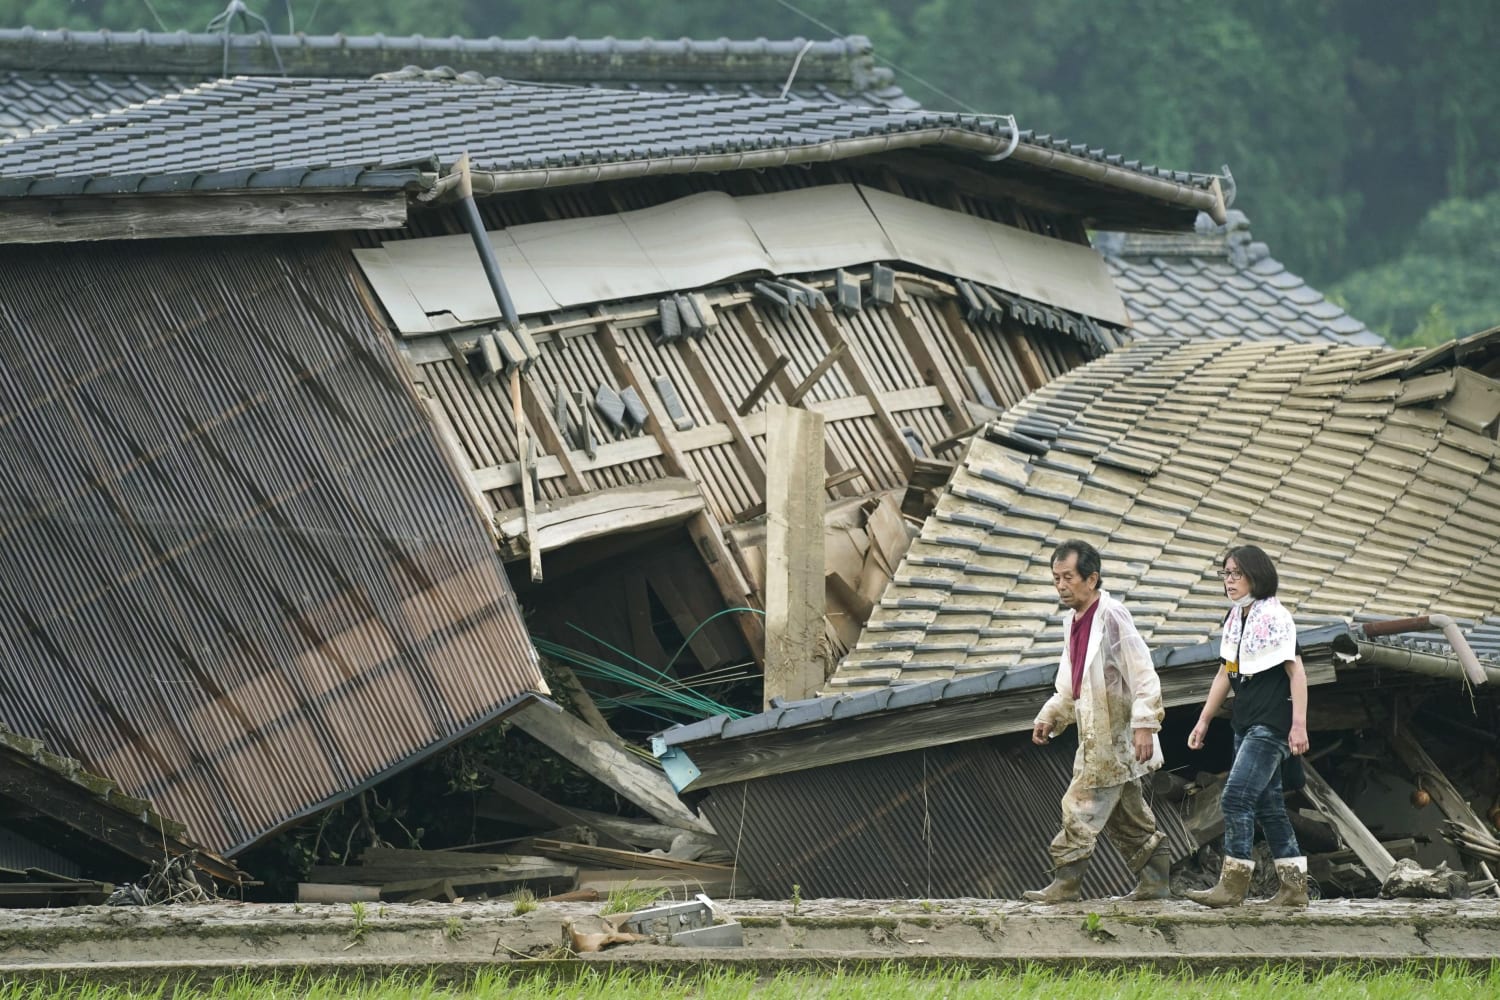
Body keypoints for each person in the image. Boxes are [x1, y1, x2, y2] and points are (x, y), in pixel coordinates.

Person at [1024, 539, 1169, 903]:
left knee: (1078, 805)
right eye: (1056, 578)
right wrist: (1052, 716)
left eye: (1068, 577)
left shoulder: (1111, 616)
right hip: (1098, 738)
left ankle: (1066, 884)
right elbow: (1071, 684)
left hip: (1114, 737)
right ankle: (1156, 882)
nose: (1060, 586)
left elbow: (1143, 673)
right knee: (1129, 817)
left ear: (1092, 579)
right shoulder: (1072, 622)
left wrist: (1144, 724)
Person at [1185, 544, 1310, 908]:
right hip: (1245, 721)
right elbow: (1227, 671)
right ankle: (1294, 888)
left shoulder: (1276, 617)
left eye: (1236, 573)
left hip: (1272, 724)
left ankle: (1233, 884)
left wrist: (1299, 725)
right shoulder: (1236, 618)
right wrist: (1204, 719)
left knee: (1236, 797)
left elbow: (1297, 671)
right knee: (1268, 805)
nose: (1229, 580)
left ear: (1257, 574)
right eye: (1225, 573)